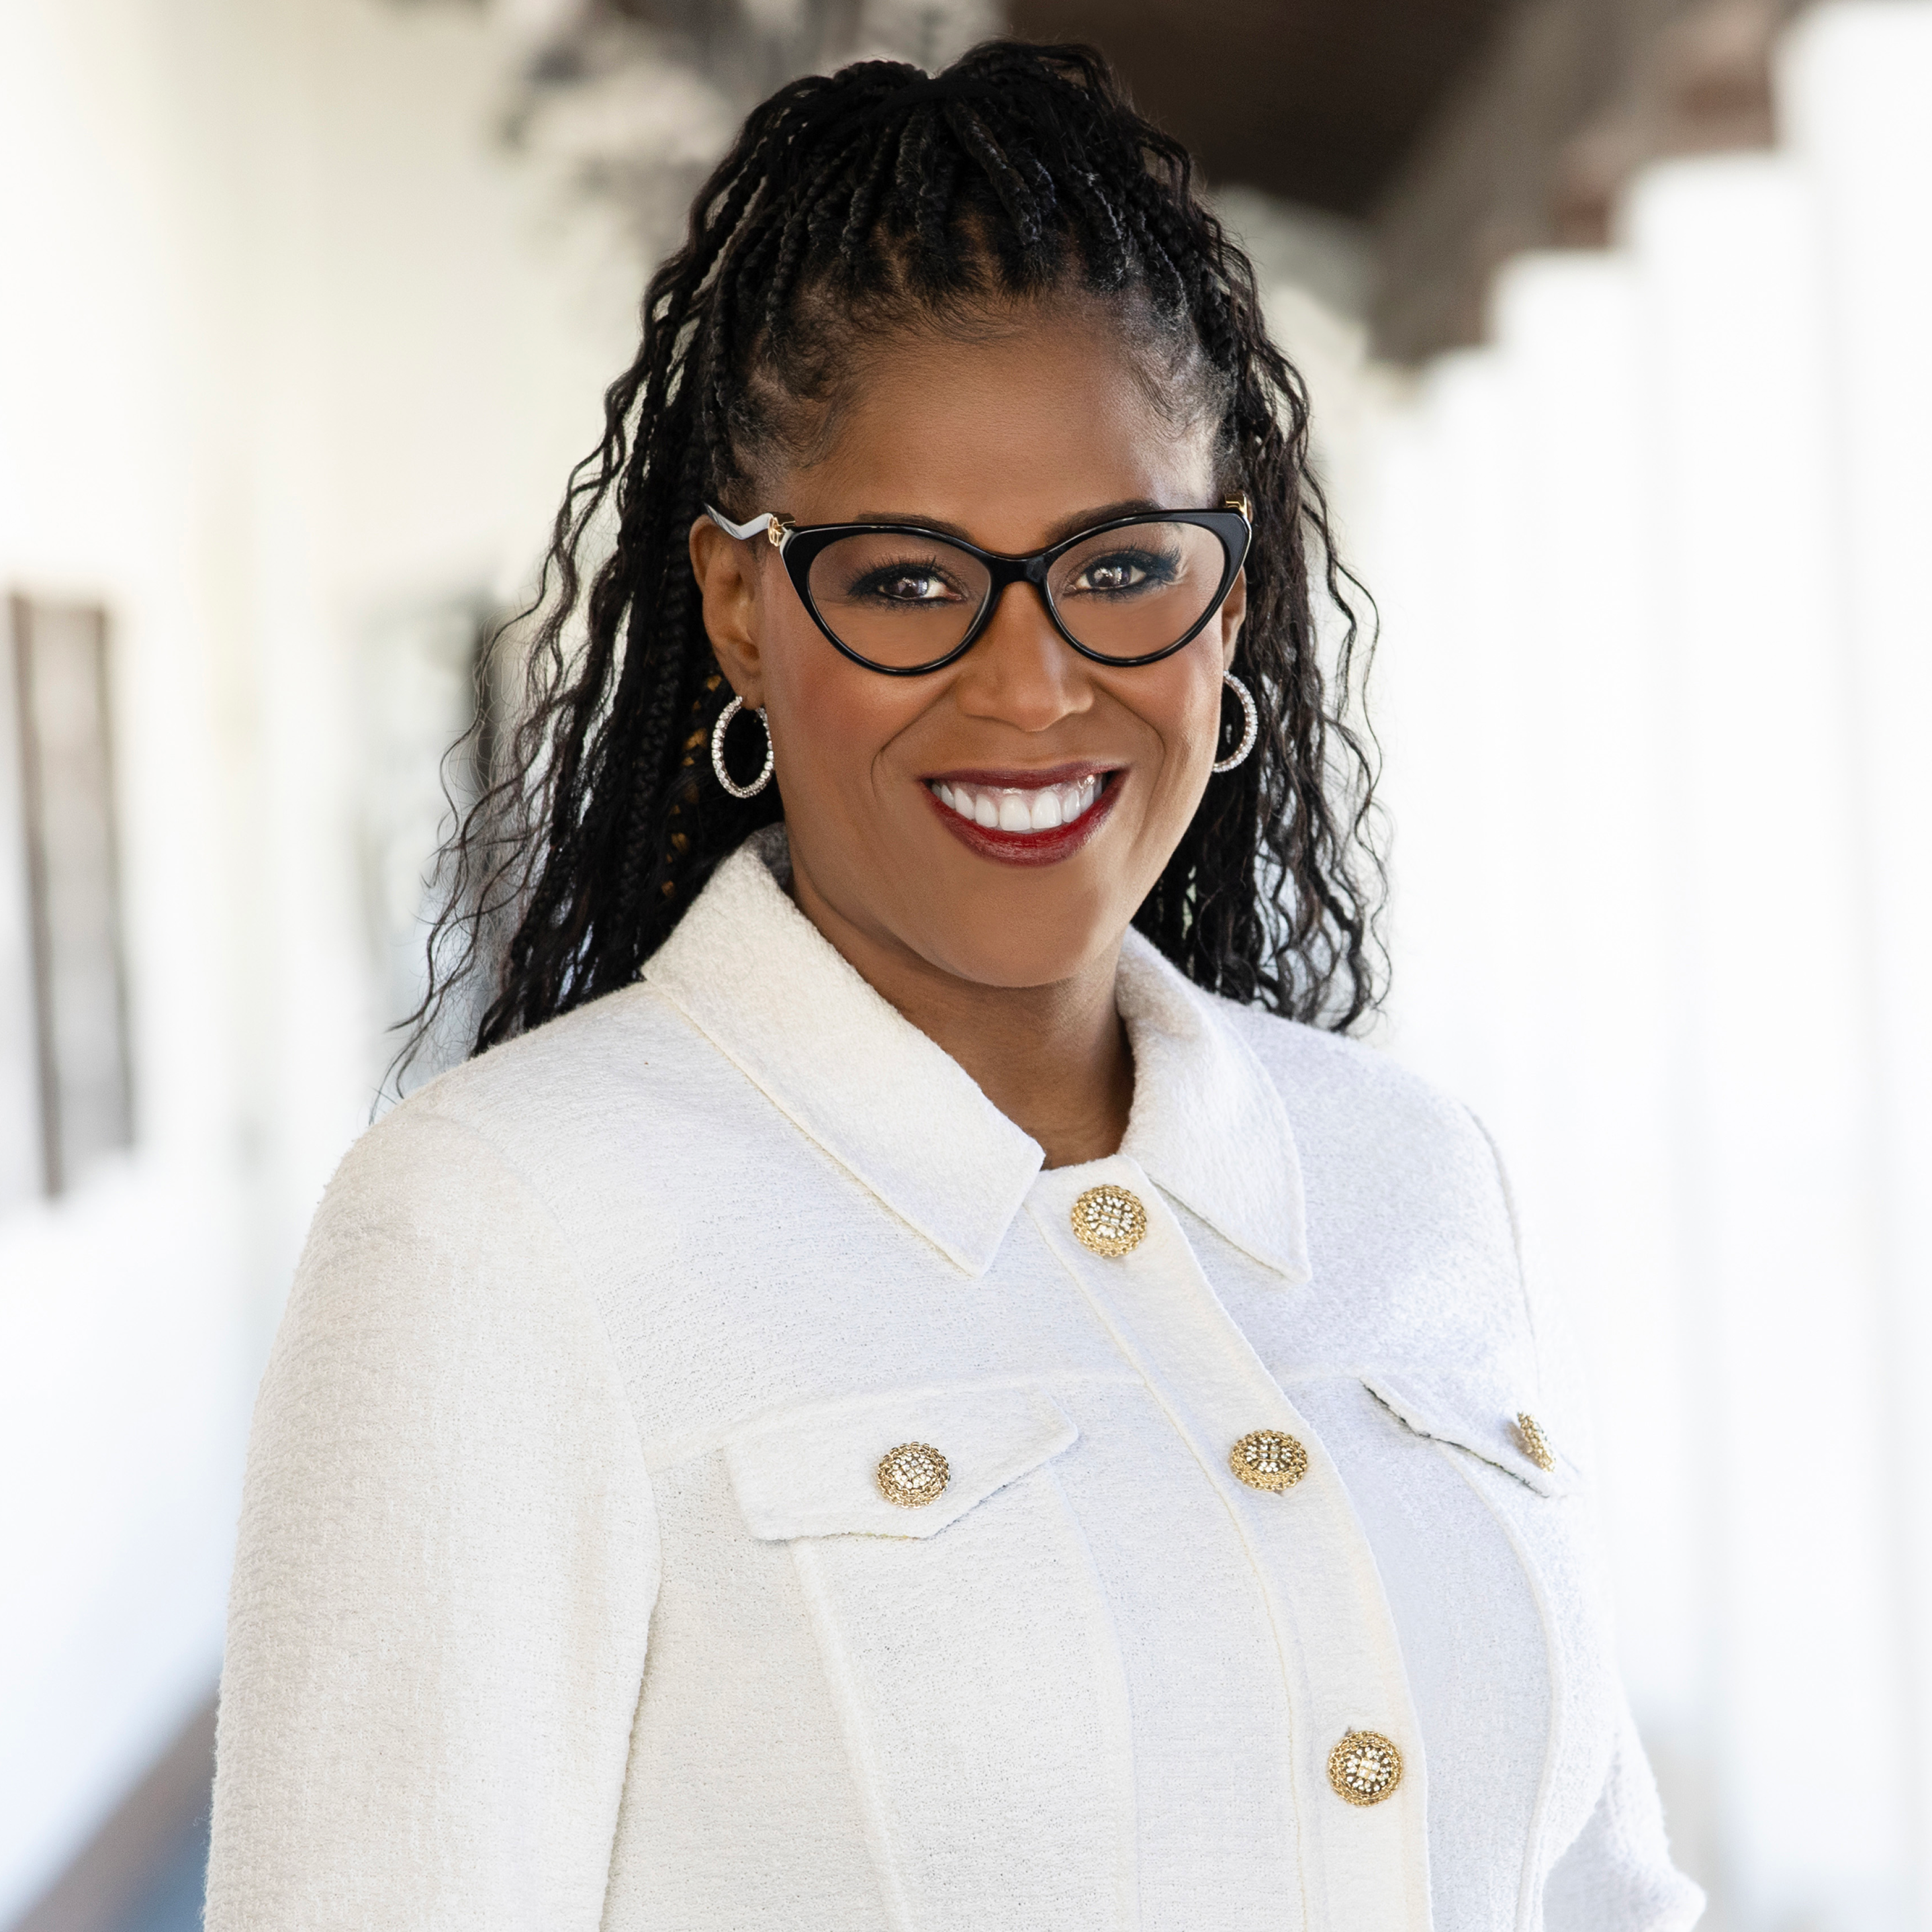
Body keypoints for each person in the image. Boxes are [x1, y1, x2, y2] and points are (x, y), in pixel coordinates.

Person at [206, 42, 1703, 1932]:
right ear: (743, 608)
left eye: (1121, 567)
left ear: (1224, 603)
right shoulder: (503, 1231)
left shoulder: (1403, 1169)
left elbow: (1595, 1888)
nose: (1027, 686)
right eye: (910, 582)